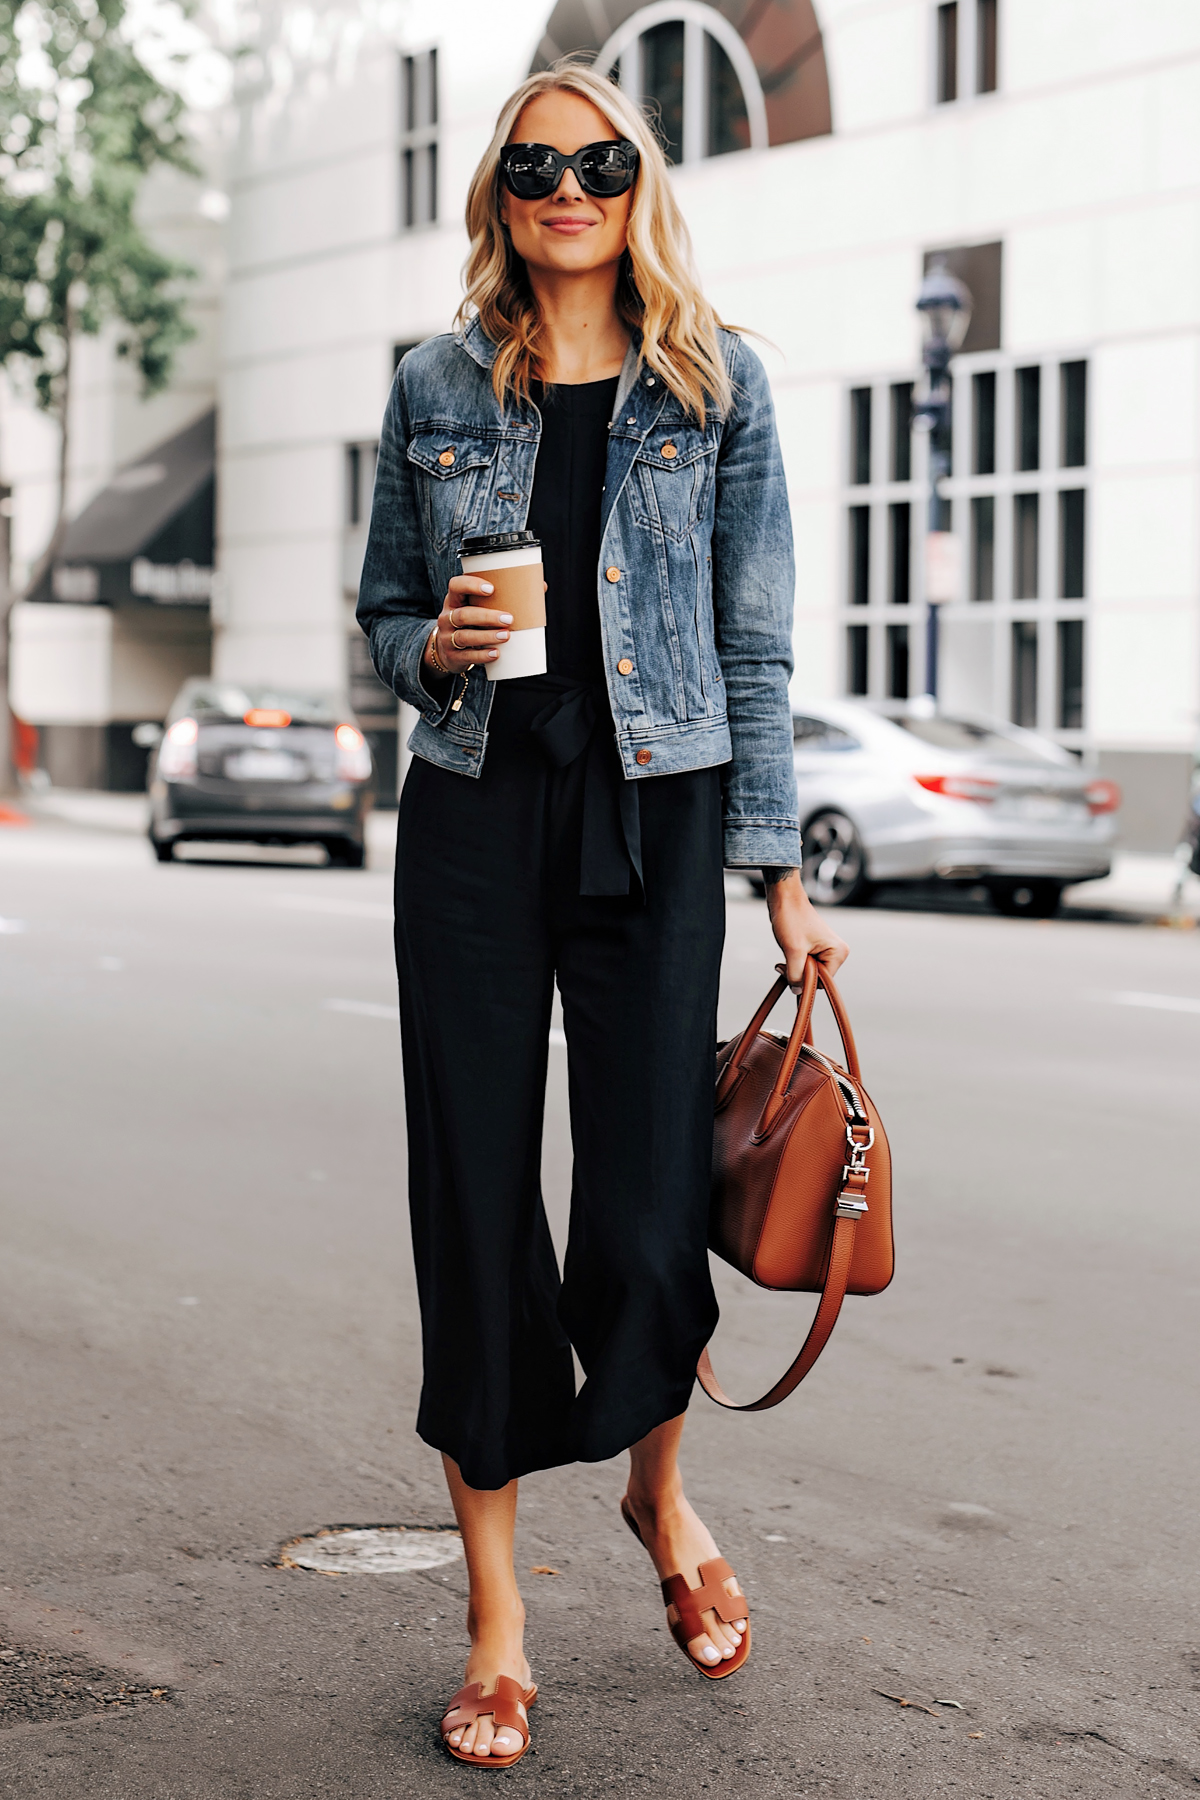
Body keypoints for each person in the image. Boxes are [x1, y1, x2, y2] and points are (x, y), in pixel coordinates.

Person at [356, 61, 848, 1768]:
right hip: (479, 814)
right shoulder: (433, 380)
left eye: (601, 160)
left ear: (641, 183)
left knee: (644, 1214)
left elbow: (759, 642)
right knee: (476, 1204)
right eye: (535, 163)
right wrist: (434, 650)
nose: (569, 186)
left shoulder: (720, 386)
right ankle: (498, 1624)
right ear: (499, 193)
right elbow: (383, 611)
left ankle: (657, 1498)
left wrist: (780, 876)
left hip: (660, 808)